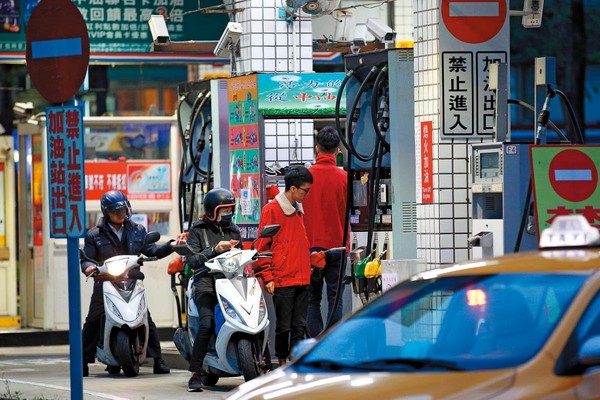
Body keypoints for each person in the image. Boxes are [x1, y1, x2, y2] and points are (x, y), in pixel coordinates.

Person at [80, 190, 178, 377]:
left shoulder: (137, 230)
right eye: (116, 211)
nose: (120, 213)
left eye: (123, 209)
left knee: (144, 316)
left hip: (132, 279)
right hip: (106, 281)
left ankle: (158, 360)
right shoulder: (94, 235)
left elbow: (151, 250)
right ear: (106, 212)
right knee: (93, 319)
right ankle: (83, 361)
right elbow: (87, 258)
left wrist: (170, 246)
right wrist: (88, 267)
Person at [185, 188, 244, 392]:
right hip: (206, 284)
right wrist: (214, 250)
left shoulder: (234, 230)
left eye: (230, 209)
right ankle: (195, 373)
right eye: (223, 209)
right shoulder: (197, 230)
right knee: (207, 323)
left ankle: (259, 361)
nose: (227, 213)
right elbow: (192, 260)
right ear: (212, 211)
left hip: (232, 283)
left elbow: (241, 254)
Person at [254, 166, 313, 367]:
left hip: (303, 277)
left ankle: (295, 364)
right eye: (306, 190)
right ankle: (280, 362)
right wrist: (267, 276)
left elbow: (297, 243)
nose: (307, 194)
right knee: (284, 326)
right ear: (294, 189)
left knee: (299, 326)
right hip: (283, 278)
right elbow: (262, 246)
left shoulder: (299, 210)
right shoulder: (271, 210)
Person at [302, 126, 348, 338]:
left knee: (312, 298)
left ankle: (313, 343)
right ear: (338, 150)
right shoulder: (344, 178)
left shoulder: (304, 179)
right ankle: (332, 344)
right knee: (335, 298)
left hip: (310, 248)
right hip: (338, 246)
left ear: (316, 148)